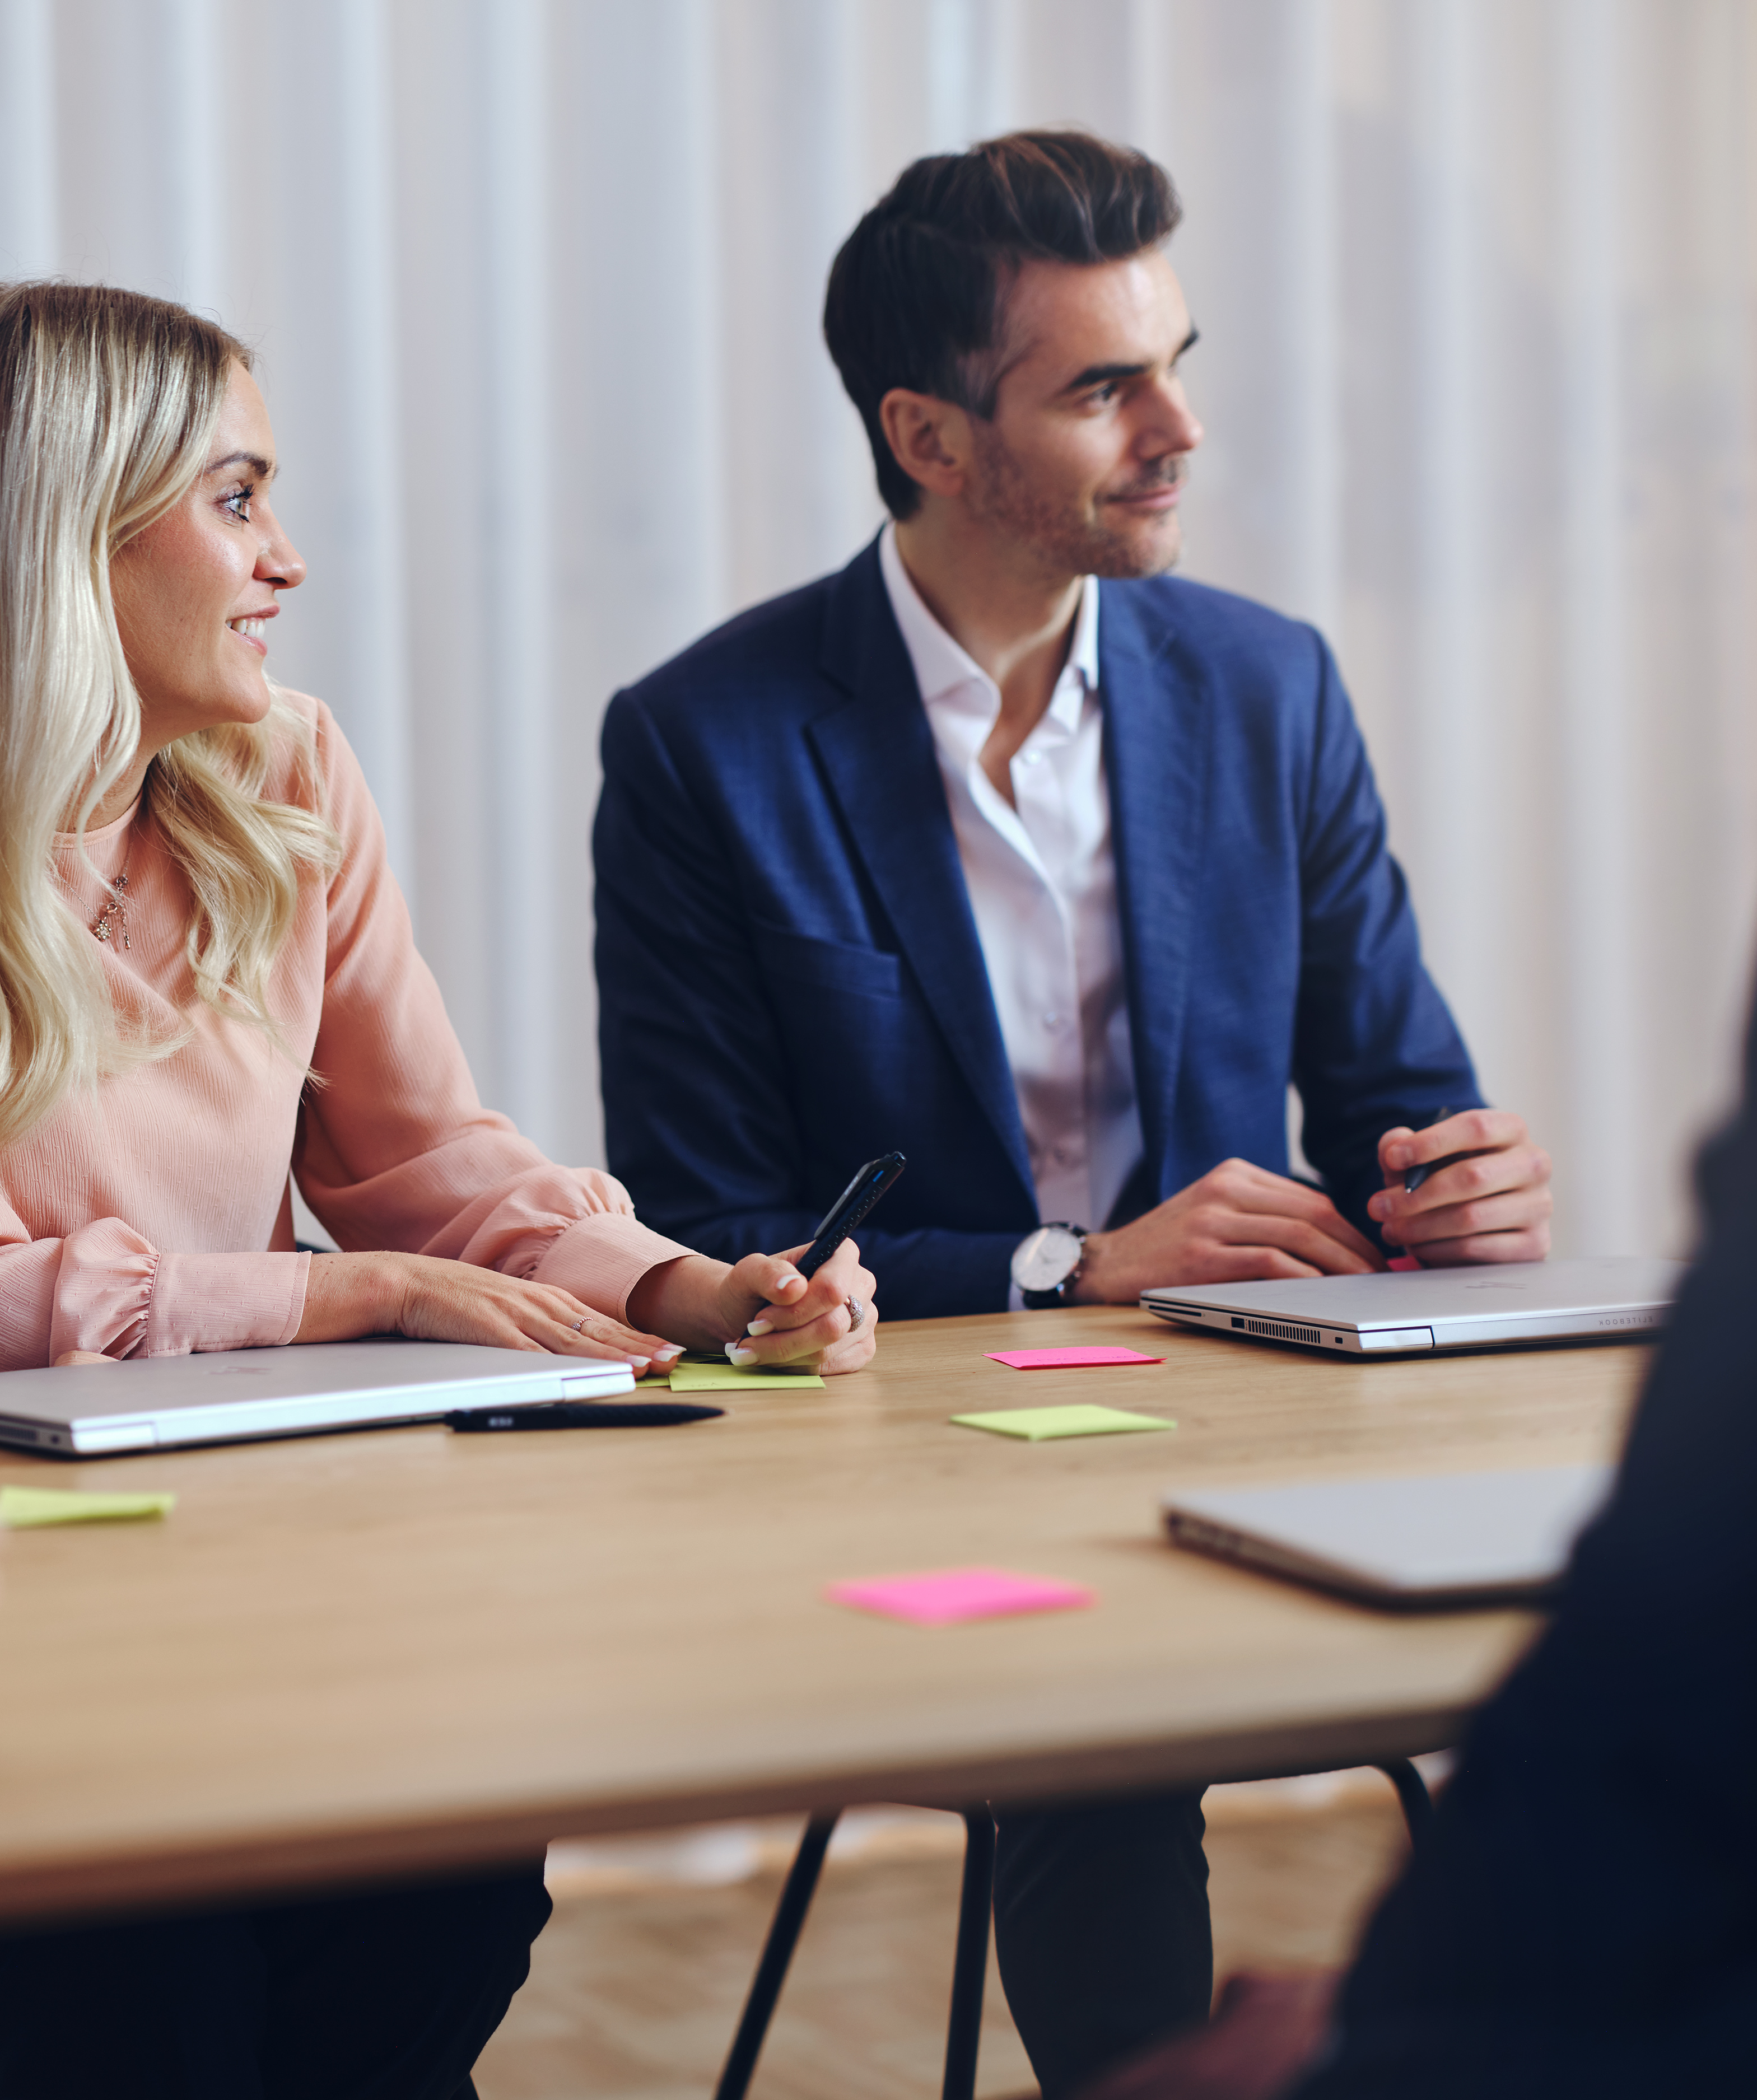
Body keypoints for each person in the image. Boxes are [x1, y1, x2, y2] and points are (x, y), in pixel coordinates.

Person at [0, 278, 877, 2098]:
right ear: (67, 537)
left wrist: (683, 1289)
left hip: (275, 1546)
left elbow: (423, 1165)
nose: (292, 561)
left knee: (463, 1880)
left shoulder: (289, 773)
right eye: (239, 498)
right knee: (154, 1974)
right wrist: (340, 1297)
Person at [589, 131, 1555, 2096]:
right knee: (1102, 1715)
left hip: (1256, 1405)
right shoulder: (706, 739)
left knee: (1646, 1597)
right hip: (899, 1435)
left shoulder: (1268, 689)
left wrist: (1458, 1180)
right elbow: (703, 1224)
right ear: (931, 437)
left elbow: (1398, 1103)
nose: (1180, 426)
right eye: (1106, 387)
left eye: (1174, 360)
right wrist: (1074, 1266)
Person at [1084, 990, 1757, 2099]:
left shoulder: (1286, 800)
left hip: (1614, 2015)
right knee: (1097, 1707)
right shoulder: (715, 809)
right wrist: (1075, 1261)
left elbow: (1648, 1695)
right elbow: (732, 1225)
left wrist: (1372, 2036)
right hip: (957, 1401)